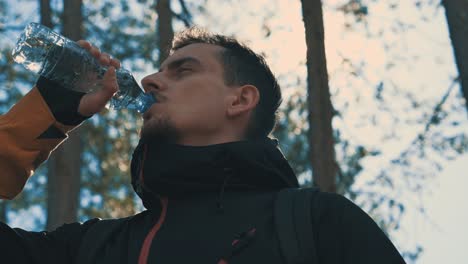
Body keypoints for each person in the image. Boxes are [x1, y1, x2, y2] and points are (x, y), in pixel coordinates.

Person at [0, 27, 406, 263]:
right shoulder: (92, 248)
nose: (150, 81)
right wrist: (43, 114)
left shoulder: (315, 223)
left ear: (240, 100)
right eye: (159, 71)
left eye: (183, 71)